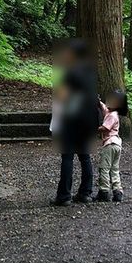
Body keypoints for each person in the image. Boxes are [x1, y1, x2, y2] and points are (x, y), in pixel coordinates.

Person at [52, 39, 101, 206]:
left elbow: (62, 96)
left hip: (73, 118)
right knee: (85, 156)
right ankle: (85, 193)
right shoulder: (91, 73)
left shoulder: (70, 72)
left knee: (67, 157)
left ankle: (64, 196)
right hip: (88, 120)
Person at [96, 89, 127, 202]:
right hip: (117, 144)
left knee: (104, 168)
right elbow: (104, 109)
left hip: (110, 144)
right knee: (114, 168)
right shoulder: (112, 113)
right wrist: (99, 102)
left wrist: (92, 129)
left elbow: (105, 128)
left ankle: (104, 191)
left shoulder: (112, 116)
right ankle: (117, 191)